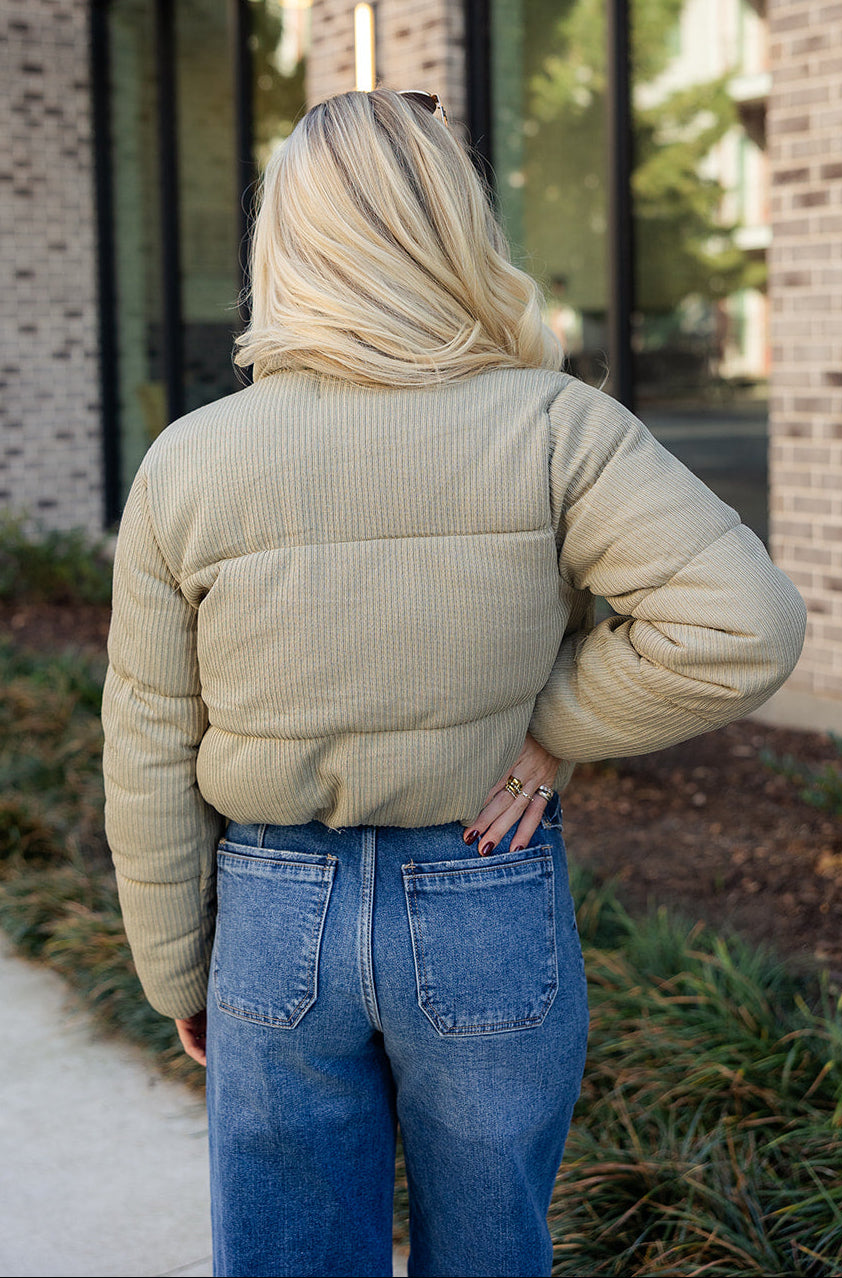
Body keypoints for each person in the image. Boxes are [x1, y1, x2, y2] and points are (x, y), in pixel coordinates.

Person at [101, 88, 806, 1278]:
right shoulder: (555, 427)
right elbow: (744, 625)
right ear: (455, 230)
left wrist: (177, 966)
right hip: (483, 890)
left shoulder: (188, 463)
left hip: (274, 916)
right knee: (489, 1251)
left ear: (285, 244)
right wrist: (550, 733)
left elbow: (149, 747)